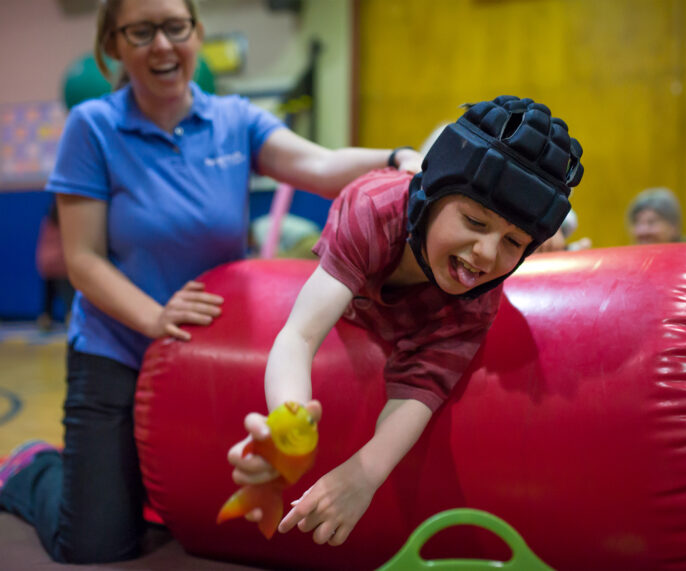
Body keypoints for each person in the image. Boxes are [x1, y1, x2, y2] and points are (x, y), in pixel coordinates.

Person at [0, 0, 420, 564]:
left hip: (209, 354)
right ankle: (32, 466)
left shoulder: (234, 121)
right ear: (113, 46)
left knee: (209, 515)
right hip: (117, 348)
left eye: (176, 27)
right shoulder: (94, 126)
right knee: (94, 543)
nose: (163, 45)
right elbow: (82, 260)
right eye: (141, 31)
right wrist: (154, 317)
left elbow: (319, 166)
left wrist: (396, 158)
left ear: (197, 34)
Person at [226, 96, 584, 545]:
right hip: (357, 257)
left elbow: (421, 389)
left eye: (514, 242)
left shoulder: (477, 297)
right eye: (474, 221)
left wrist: (365, 472)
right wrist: (286, 422)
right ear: (430, 196)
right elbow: (299, 334)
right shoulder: (373, 209)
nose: (487, 254)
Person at [35, 202, 75, 330]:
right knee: (69, 296)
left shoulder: (48, 222)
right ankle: (71, 318)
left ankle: (45, 318)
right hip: (61, 264)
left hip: (46, 262)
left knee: (49, 295)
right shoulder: (66, 223)